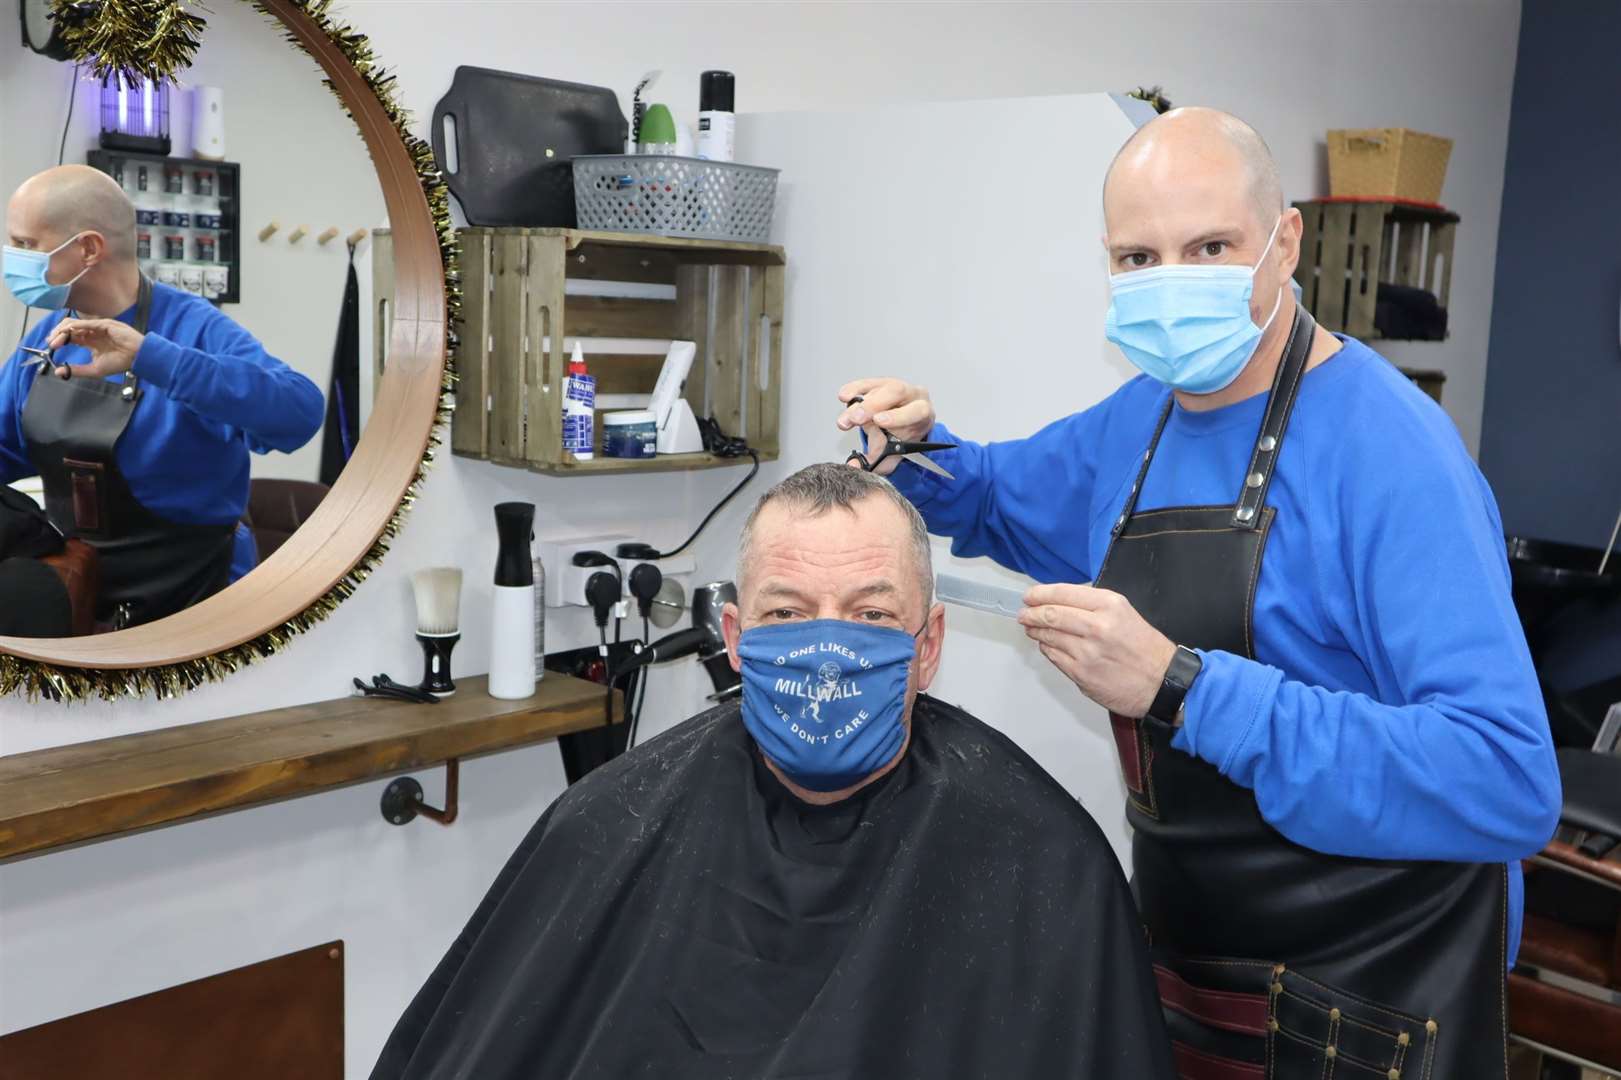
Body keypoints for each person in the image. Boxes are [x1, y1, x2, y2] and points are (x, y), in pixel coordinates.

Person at [838, 107, 1561, 1079]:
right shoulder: (1137, 427)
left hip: (1374, 995)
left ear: (1284, 240)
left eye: (1209, 245)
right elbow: (1005, 499)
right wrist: (918, 454)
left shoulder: (1390, 454)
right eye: (1138, 259)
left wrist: (1183, 689)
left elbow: (1504, 780)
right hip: (1191, 968)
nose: (1171, 282)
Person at [370, 464, 1175, 1080]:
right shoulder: (608, 820)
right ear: (734, 634)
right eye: (787, 613)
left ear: (926, 645)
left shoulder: (1036, 855)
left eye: (869, 615)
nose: (827, 650)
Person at [0, 165, 322, 629]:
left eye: (27, 245)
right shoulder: (49, 338)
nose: (14, 258)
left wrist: (153, 358)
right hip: (84, 600)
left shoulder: (193, 328)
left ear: (88, 249)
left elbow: (299, 413)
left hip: (201, 602)